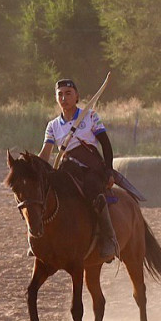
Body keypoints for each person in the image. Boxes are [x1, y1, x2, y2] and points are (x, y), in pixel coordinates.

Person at [39, 77, 119, 261]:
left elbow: (106, 145)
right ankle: (42, 238)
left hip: (92, 169)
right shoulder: (52, 126)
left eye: (68, 94)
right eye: (60, 94)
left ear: (77, 97)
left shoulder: (90, 117)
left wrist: (109, 170)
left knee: (93, 189)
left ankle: (109, 239)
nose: (64, 98)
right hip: (68, 170)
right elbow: (45, 153)